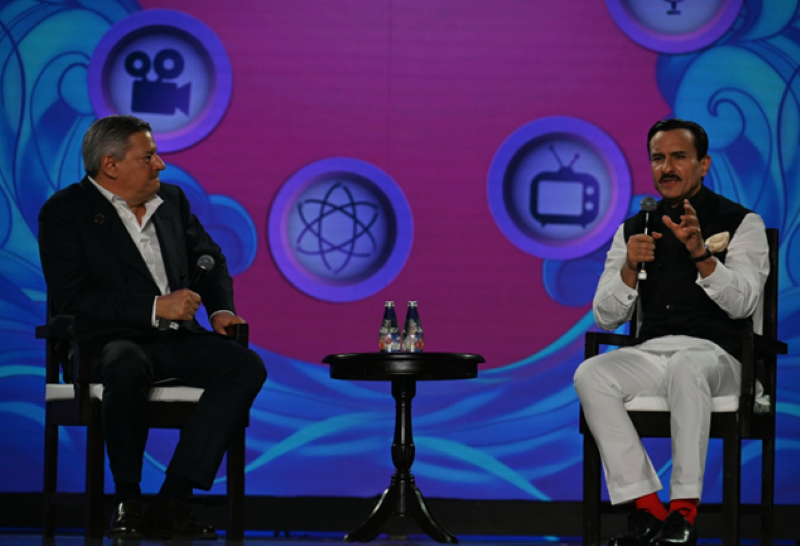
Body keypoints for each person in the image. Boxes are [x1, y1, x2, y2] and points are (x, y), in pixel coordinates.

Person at [38, 115, 267, 540]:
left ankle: (171, 500)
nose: (160, 164)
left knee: (245, 367)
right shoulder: (65, 212)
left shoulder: (172, 201)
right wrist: (156, 306)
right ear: (110, 165)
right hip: (104, 343)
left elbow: (211, 259)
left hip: (173, 341)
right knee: (125, 361)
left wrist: (220, 310)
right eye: (148, 157)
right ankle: (128, 498)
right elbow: (74, 299)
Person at [573, 119, 768, 545]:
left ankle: (683, 511)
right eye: (658, 158)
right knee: (591, 373)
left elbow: (744, 303)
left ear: (704, 164)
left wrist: (701, 254)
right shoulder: (634, 228)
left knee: (686, 365)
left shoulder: (741, 222)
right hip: (654, 352)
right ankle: (647, 508)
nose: (667, 167)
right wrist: (629, 266)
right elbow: (606, 317)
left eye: (679, 156)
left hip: (721, 357)